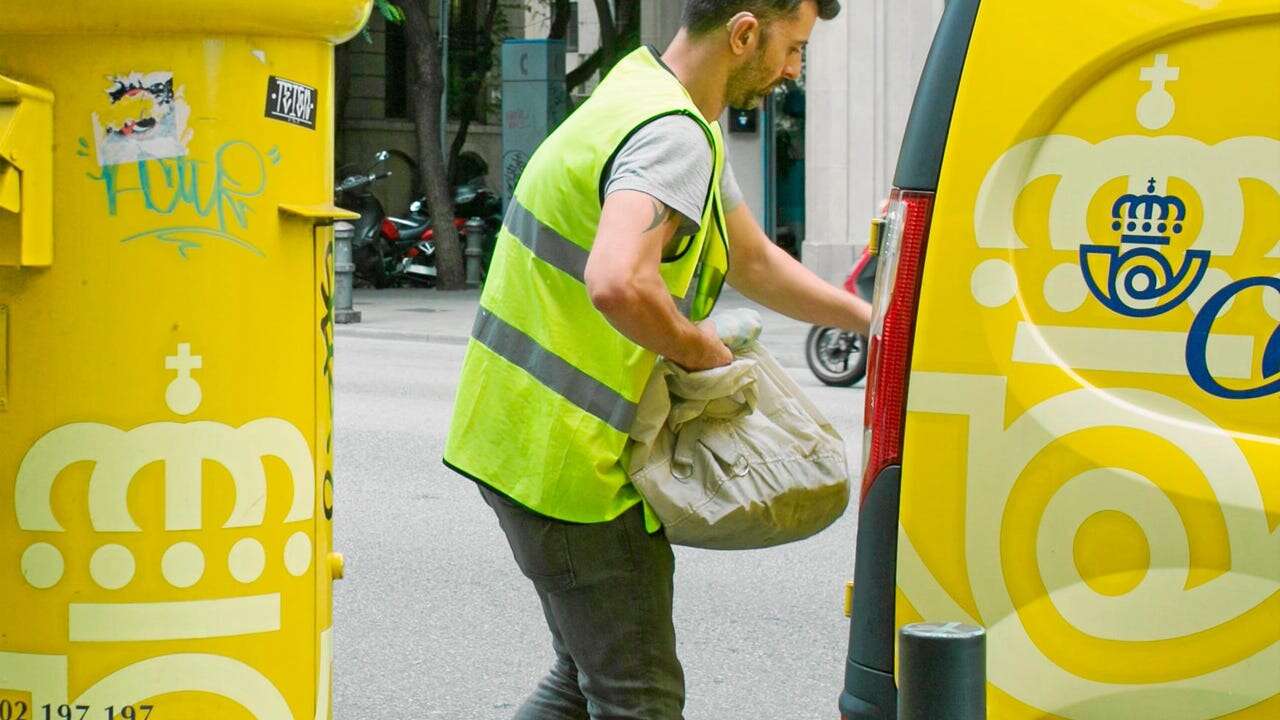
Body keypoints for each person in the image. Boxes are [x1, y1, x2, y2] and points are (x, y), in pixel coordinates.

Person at [444, 1, 868, 717]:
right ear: (742, 34)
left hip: (519, 444)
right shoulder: (674, 135)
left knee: (580, 686)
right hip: (571, 470)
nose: (793, 70)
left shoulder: (646, 96)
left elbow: (755, 261)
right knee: (638, 700)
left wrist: (870, 322)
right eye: (792, 48)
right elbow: (619, 280)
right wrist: (704, 353)